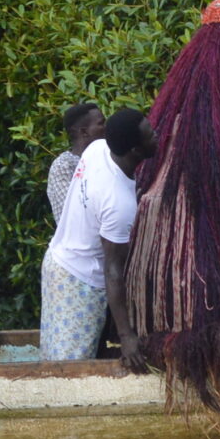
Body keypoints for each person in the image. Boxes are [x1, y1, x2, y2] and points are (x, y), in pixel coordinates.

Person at [41, 108, 155, 362]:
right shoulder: (118, 203)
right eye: (150, 134)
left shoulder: (97, 149)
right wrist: (127, 337)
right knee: (68, 368)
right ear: (136, 150)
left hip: (58, 262)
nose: (156, 135)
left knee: (58, 356)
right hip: (78, 281)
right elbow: (113, 270)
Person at [46, 102, 104, 225]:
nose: (106, 127)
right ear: (84, 132)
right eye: (101, 123)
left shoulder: (104, 159)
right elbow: (71, 215)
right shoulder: (64, 165)